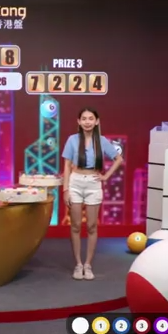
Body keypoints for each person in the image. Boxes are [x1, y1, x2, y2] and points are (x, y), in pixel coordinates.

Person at [61, 107, 123, 280]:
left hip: (93, 184)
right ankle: (78, 264)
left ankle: (88, 265)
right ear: (78, 121)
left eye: (90, 118)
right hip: (75, 182)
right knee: (75, 225)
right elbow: (67, 166)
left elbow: (118, 159)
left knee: (91, 226)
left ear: (97, 121)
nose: (87, 122)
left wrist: (106, 176)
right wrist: (65, 189)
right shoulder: (72, 140)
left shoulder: (102, 141)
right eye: (84, 118)